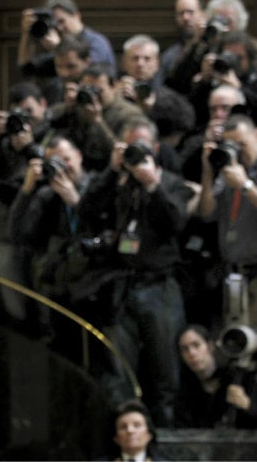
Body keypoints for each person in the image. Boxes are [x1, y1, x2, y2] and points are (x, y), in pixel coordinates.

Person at [76, 116, 193, 427]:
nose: (135, 154)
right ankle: (127, 435)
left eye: (141, 147)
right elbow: (85, 210)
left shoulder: (171, 183)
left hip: (160, 287)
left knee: (165, 368)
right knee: (120, 368)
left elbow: (176, 224)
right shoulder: (117, 183)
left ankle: (165, 435)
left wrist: (152, 184)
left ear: (155, 148)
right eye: (129, 147)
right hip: (121, 287)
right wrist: (112, 171)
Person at [0, 81, 49, 324]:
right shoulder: (3, 144)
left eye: (28, 110)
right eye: (17, 113)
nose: (24, 119)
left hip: (44, 234)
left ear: (43, 105)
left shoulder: (52, 132)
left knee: (46, 307)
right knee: (15, 305)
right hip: (8, 230)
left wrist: (29, 149)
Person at [7, 135, 96, 339]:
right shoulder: (47, 195)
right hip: (57, 282)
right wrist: (27, 188)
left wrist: (76, 202)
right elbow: (16, 233)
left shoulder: (97, 186)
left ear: (79, 156)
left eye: (66, 159)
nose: (62, 168)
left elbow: (104, 227)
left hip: (91, 283)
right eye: (55, 163)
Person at [199, 114, 257, 331]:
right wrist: (207, 171)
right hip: (233, 275)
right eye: (232, 145)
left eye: (243, 144)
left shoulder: (241, 179)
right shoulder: (227, 174)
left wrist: (246, 186)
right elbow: (207, 213)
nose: (239, 151)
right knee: (237, 344)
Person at [116, 34, 195, 168]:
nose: (140, 64)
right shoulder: (114, 91)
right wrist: (113, 98)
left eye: (147, 59)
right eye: (135, 58)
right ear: (124, 63)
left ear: (157, 64)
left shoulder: (168, 95)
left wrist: (152, 107)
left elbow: (187, 122)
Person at [174, 324, 257, 428]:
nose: (192, 353)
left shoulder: (238, 378)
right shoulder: (185, 389)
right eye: (185, 349)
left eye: (196, 345)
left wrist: (247, 405)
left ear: (210, 346)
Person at [17, 0, 116, 82]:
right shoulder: (61, 43)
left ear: (76, 16)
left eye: (62, 21)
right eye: (55, 24)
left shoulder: (96, 42)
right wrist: (26, 33)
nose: (59, 28)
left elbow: (90, 75)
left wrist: (58, 48)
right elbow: (27, 68)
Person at [160, 0, 207, 83]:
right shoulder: (169, 57)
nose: (185, 18)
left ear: (203, 15)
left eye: (190, 12)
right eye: (181, 13)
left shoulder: (217, 48)